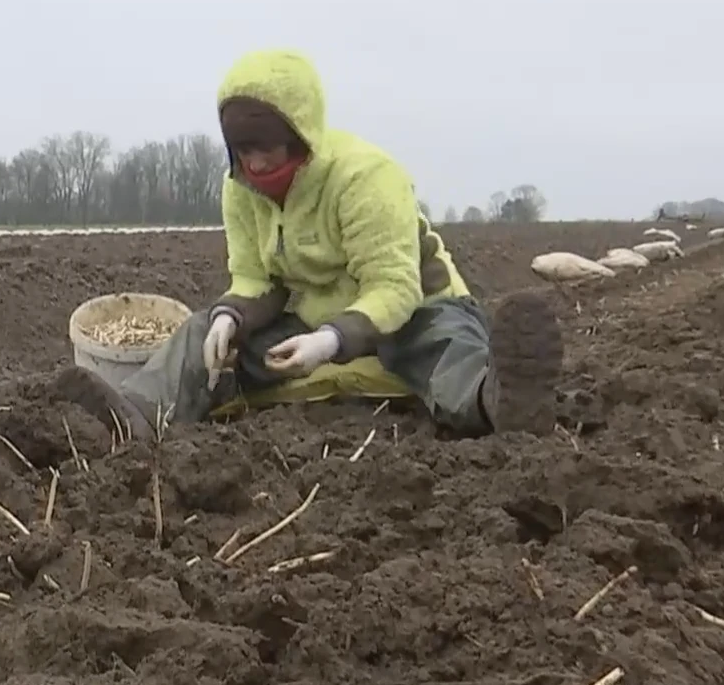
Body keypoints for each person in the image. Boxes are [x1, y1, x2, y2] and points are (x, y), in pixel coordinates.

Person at [55, 48, 564, 438]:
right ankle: (132, 418)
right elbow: (257, 278)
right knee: (201, 332)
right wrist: (232, 316)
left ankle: (497, 398)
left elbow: (395, 288)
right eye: (243, 150)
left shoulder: (365, 177)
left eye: (268, 148)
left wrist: (331, 342)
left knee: (437, 348)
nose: (255, 164)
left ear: (300, 135)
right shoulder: (240, 189)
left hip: (411, 310)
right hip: (313, 316)